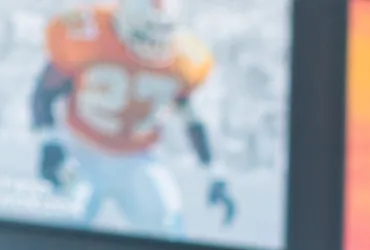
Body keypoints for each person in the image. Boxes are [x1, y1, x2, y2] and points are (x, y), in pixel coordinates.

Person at [31, 0, 235, 237]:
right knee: (61, 228)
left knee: (170, 229)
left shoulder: (184, 58)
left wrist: (215, 172)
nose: (152, 43)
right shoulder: (88, 33)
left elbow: (193, 118)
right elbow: (44, 92)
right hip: (81, 148)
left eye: (161, 34)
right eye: (145, 34)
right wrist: (50, 142)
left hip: (137, 157)